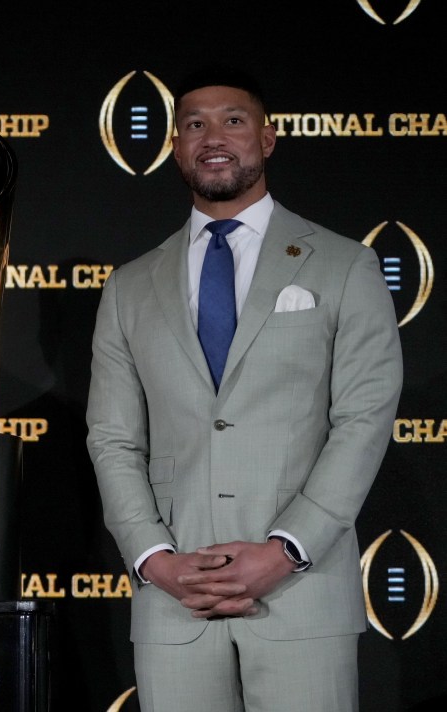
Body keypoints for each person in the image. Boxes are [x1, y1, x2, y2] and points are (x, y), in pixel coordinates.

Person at [85, 65, 403, 712]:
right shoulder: (130, 287)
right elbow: (114, 439)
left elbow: (364, 419)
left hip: (301, 595)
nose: (213, 136)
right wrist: (153, 559)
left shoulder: (343, 264)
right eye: (193, 124)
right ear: (174, 146)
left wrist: (288, 550)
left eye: (233, 120)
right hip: (175, 600)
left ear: (268, 137)